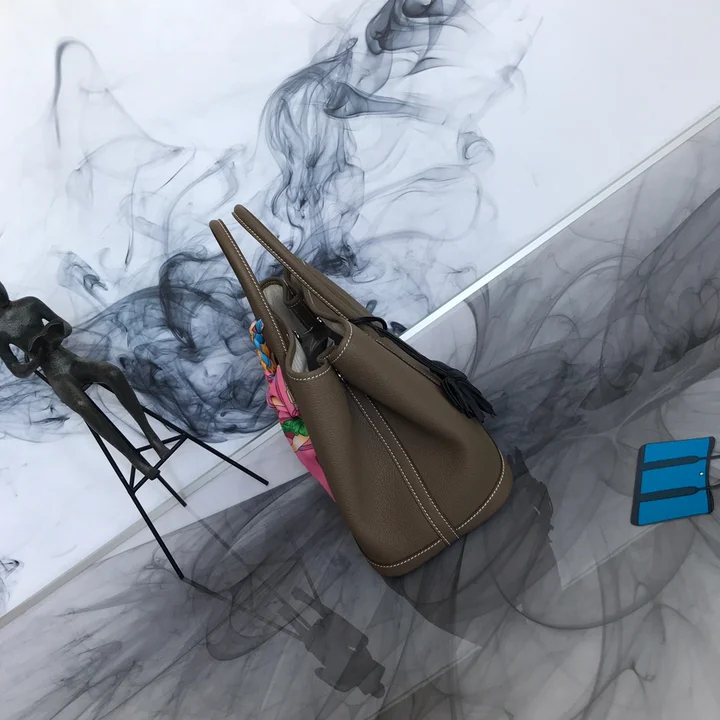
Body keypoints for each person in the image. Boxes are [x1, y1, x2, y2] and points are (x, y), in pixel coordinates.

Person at [0, 281, 169, 478]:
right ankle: (136, 460)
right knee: (83, 406)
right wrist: (35, 361)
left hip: (71, 361)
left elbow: (65, 325)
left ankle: (152, 436)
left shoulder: (30, 303)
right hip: (55, 375)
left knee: (112, 373)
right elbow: (16, 369)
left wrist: (55, 335)